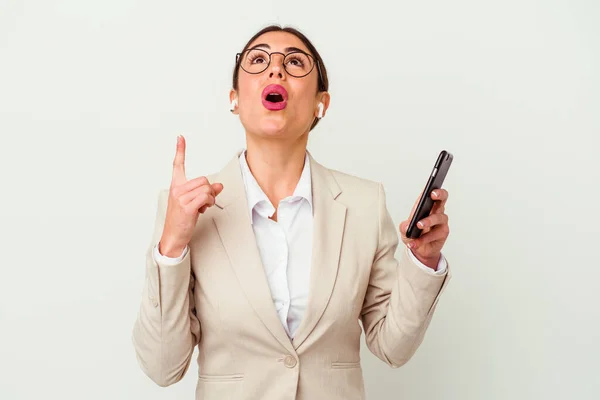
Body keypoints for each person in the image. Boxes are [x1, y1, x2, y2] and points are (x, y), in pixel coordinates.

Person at [132, 25, 452, 400]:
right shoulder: (186, 210)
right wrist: (171, 247)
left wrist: (424, 261)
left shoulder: (363, 204)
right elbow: (162, 367)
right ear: (234, 98)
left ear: (322, 103)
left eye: (295, 62)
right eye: (258, 60)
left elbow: (392, 347)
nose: (276, 70)